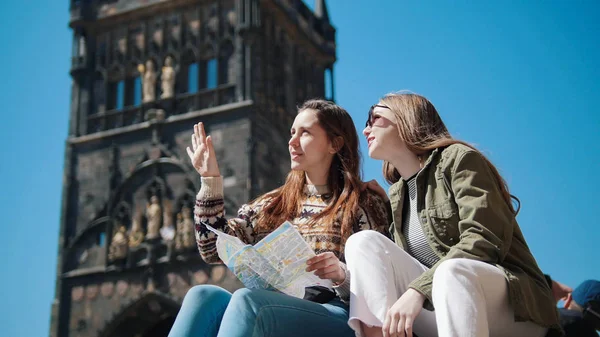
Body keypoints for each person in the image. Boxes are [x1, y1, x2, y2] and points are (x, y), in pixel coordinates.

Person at [344, 92, 562, 337]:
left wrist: (418, 291)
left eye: (374, 117)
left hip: (514, 307)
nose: (366, 130)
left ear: (406, 118)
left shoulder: (459, 159)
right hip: (441, 305)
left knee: (451, 272)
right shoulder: (397, 195)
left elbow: (483, 239)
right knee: (363, 242)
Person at [168, 99, 391, 337]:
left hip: (339, 314)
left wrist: (341, 275)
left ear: (334, 144)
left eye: (305, 133)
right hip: (277, 307)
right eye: (292, 132)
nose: (292, 142)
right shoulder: (271, 205)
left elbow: (381, 280)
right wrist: (210, 179)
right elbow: (211, 249)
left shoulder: (362, 202)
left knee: (247, 300)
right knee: (202, 296)